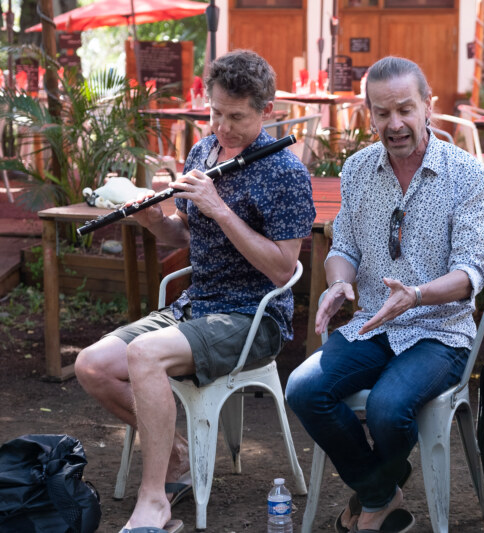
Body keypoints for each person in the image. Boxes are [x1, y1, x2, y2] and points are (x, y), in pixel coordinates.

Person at [74, 50, 315, 533]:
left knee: (144, 355)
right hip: (197, 306)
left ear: (266, 111)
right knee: (91, 366)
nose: (223, 127)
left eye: (237, 117)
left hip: (254, 317)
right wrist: (153, 219)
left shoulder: (286, 173)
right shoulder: (204, 151)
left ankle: (155, 503)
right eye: (216, 113)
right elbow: (183, 235)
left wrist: (221, 208)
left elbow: (282, 268)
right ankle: (179, 455)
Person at [285, 56, 484, 533]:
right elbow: (343, 246)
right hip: (374, 324)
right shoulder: (359, 169)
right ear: (369, 114)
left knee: (386, 407)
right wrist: (340, 281)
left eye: (405, 109)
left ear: (429, 106)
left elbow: (472, 273)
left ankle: (373, 493)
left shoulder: (467, 175)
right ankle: (382, 491)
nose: (395, 123)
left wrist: (417, 295)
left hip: (442, 331)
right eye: (382, 113)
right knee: (303, 389)